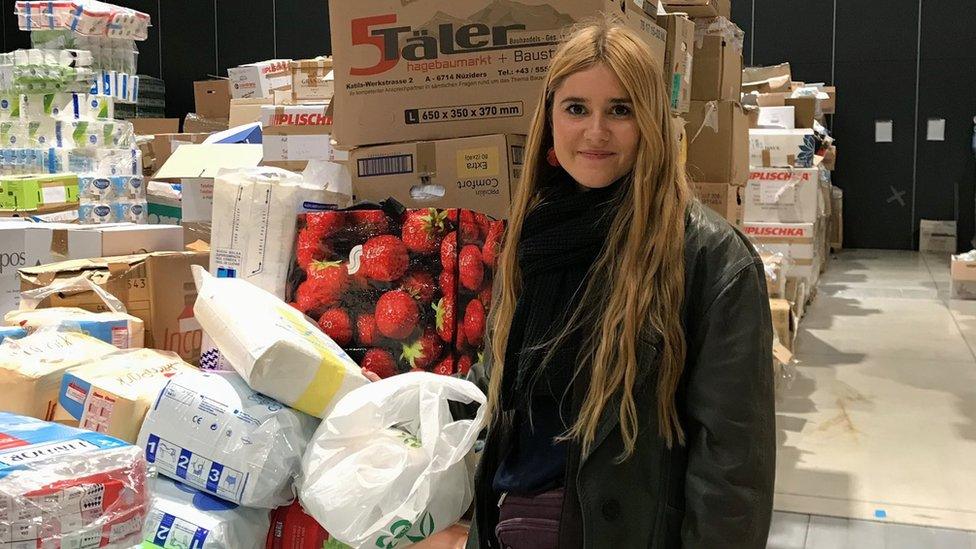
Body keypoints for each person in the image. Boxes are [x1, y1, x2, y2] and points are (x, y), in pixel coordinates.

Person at [459, 19, 777, 549]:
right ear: (551, 116)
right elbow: (503, 373)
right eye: (576, 108)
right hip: (513, 522)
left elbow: (732, 469)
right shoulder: (532, 236)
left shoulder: (710, 260)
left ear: (651, 119)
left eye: (620, 110)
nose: (595, 131)